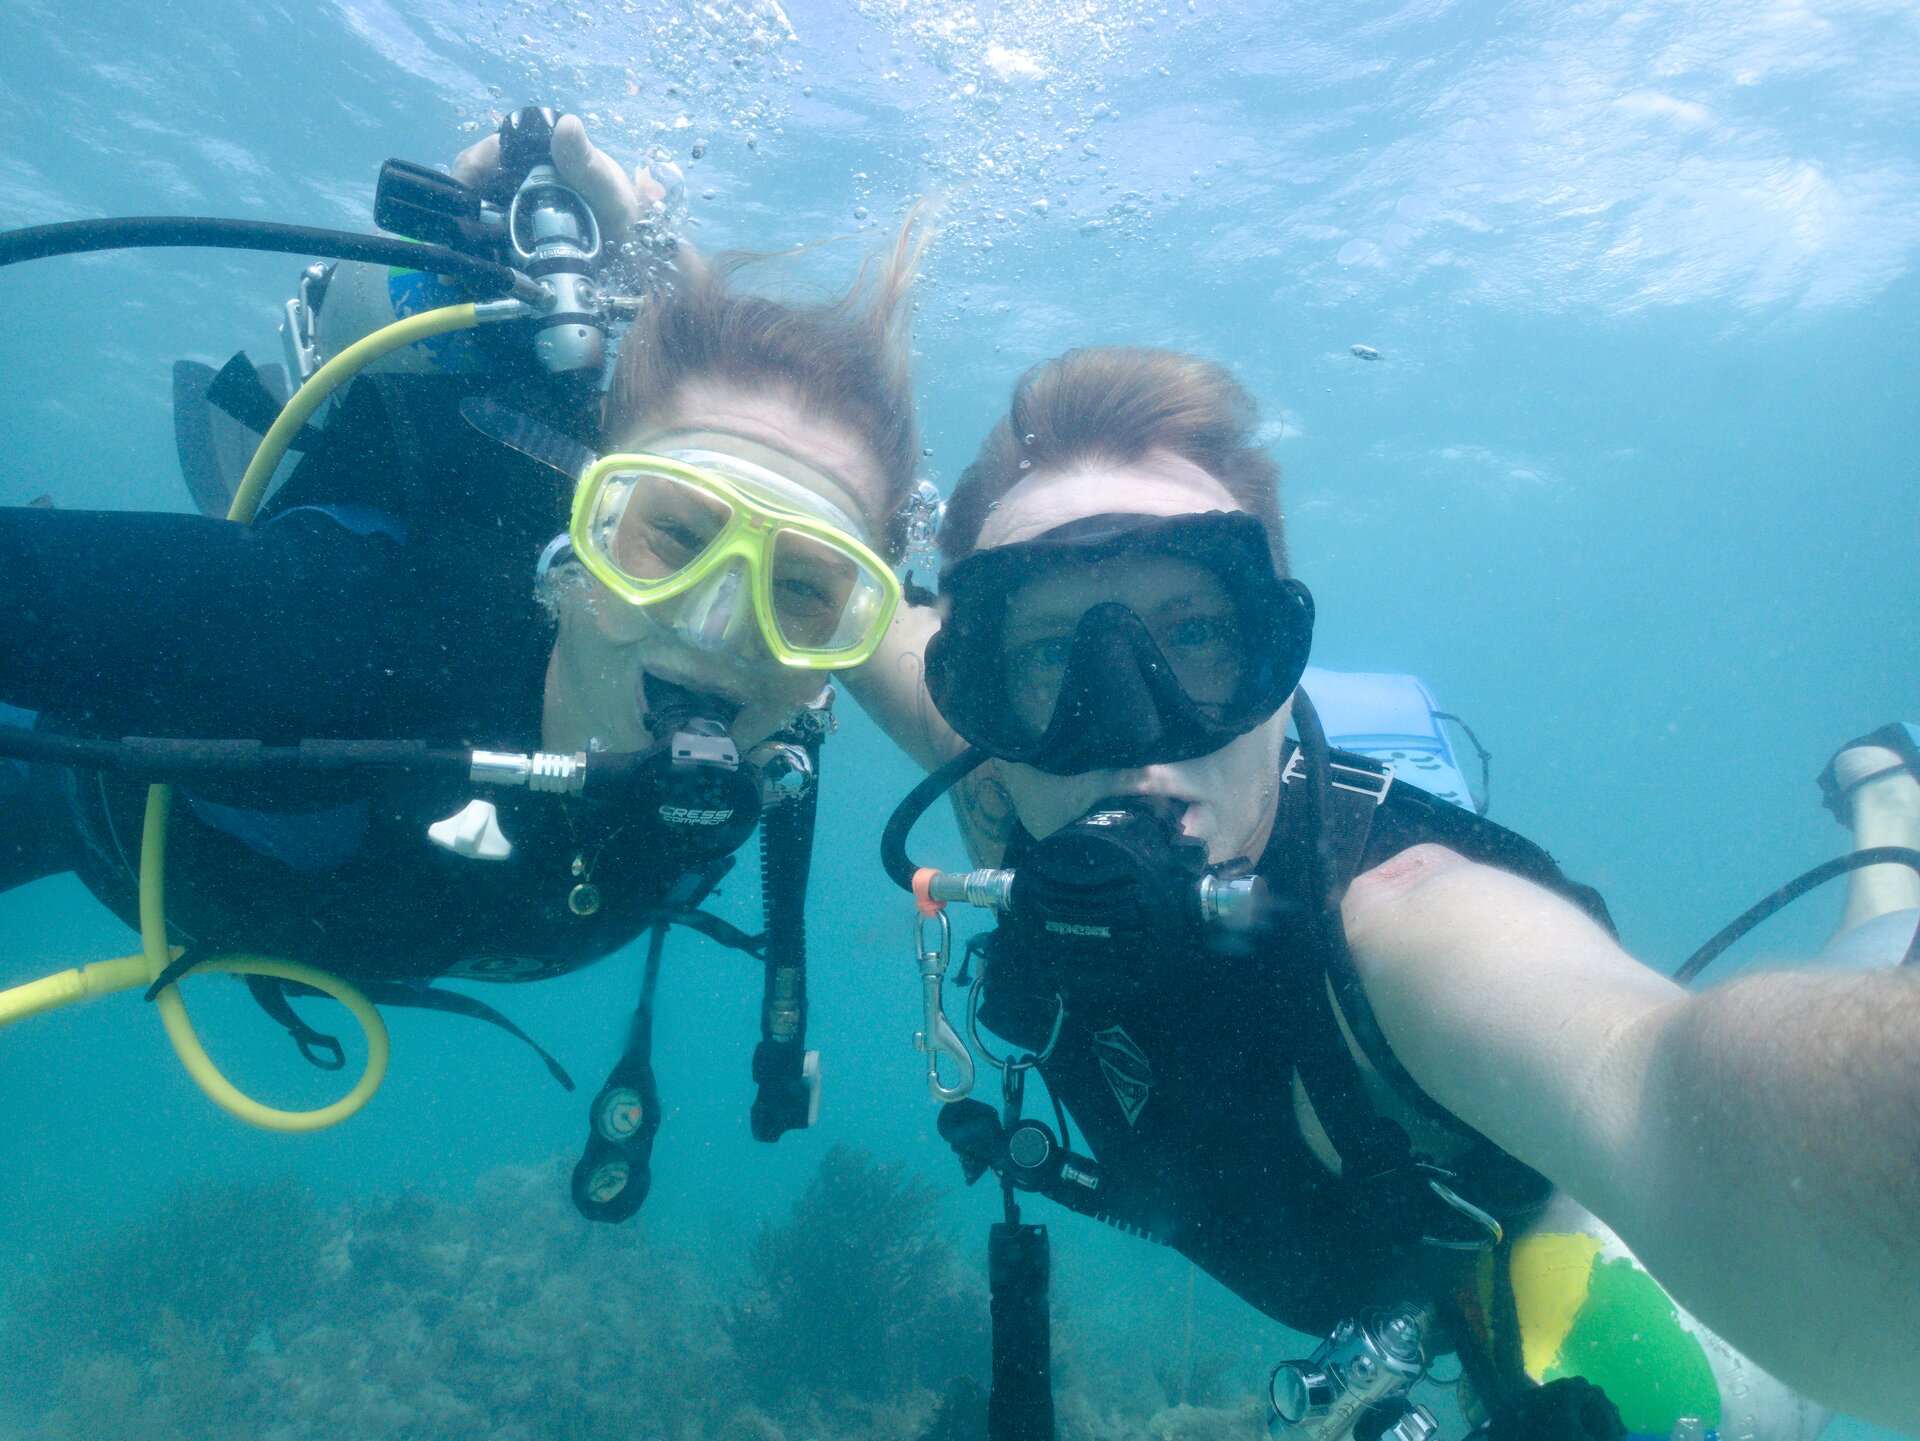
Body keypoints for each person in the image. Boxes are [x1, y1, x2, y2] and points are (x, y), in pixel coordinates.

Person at [852, 347, 1920, 1437]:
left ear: (1275, 673)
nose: (1127, 734)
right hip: (1365, 1281)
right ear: (981, 694)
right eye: (1047, 652)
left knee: (1699, 1413)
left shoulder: (1408, 930)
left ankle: (1893, 827)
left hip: (1533, 1245)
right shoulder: (1002, 785)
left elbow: (1662, 1089)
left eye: (1198, 634)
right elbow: (840, 607)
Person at [0, 109, 932, 1222]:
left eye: (805, 589)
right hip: (82, 824)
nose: (721, 627)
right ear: (571, 552)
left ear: (849, 645)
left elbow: (1017, 730)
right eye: (674, 538)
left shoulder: (785, 729)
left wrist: (669, 290)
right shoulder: (344, 625)